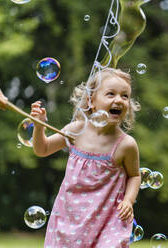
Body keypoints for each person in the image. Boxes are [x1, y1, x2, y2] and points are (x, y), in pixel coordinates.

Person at [30, 68, 141, 248]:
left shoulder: (126, 145)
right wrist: (39, 126)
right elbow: (42, 149)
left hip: (108, 218)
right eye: (111, 94)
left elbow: (135, 176)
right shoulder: (76, 131)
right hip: (70, 214)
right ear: (91, 101)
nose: (119, 100)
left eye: (125, 96)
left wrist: (128, 200)